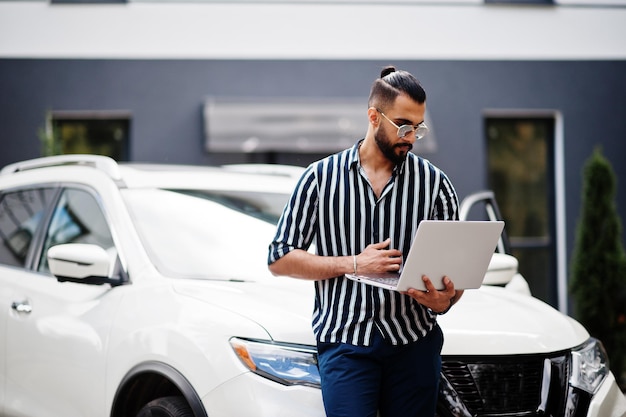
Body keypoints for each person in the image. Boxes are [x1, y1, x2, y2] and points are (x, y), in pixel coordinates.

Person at [267, 66, 463, 417]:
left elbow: (455, 275)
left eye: (418, 128)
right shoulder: (319, 179)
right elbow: (280, 258)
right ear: (374, 116)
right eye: (404, 125)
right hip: (345, 345)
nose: (411, 136)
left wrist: (444, 300)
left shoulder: (435, 184)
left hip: (414, 346)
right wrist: (355, 263)